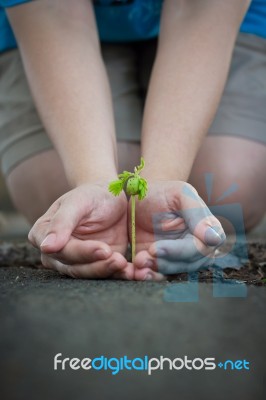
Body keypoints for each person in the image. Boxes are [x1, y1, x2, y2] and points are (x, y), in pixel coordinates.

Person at [0, 0, 265, 280]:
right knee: (62, 193)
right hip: (51, 24)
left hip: (216, 21)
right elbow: (54, 12)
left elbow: (198, 9)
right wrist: (93, 178)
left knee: (226, 187)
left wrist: (162, 176)